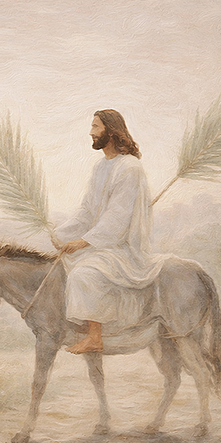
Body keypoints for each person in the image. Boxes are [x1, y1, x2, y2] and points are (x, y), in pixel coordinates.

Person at [52, 109, 166, 354]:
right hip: (101, 244)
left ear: (111, 132)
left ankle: (95, 337)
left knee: (83, 274)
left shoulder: (130, 168)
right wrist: (60, 234)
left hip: (122, 247)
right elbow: (87, 211)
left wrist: (82, 242)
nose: (91, 132)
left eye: (96, 127)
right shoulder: (100, 167)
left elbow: (117, 219)